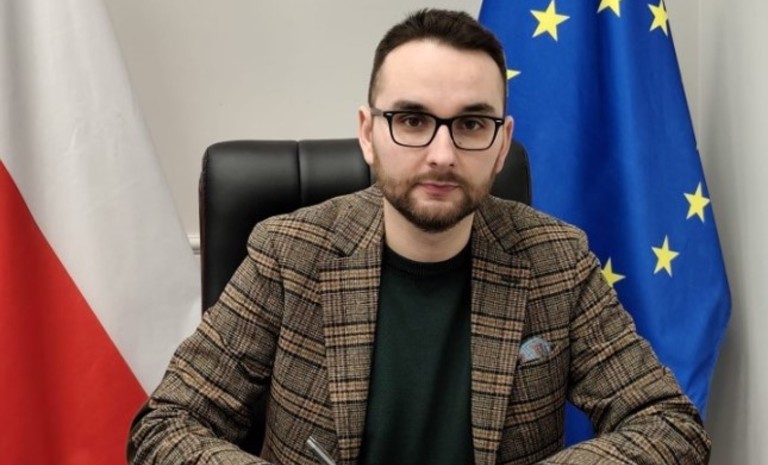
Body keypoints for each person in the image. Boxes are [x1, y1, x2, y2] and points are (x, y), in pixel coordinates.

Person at [128, 8, 710, 465]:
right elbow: (167, 427)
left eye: (471, 124)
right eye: (411, 120)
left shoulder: (556, 261)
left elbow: (669, 425)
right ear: (367, 133)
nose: (441, 154)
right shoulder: (289, 253)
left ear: (501, 144)